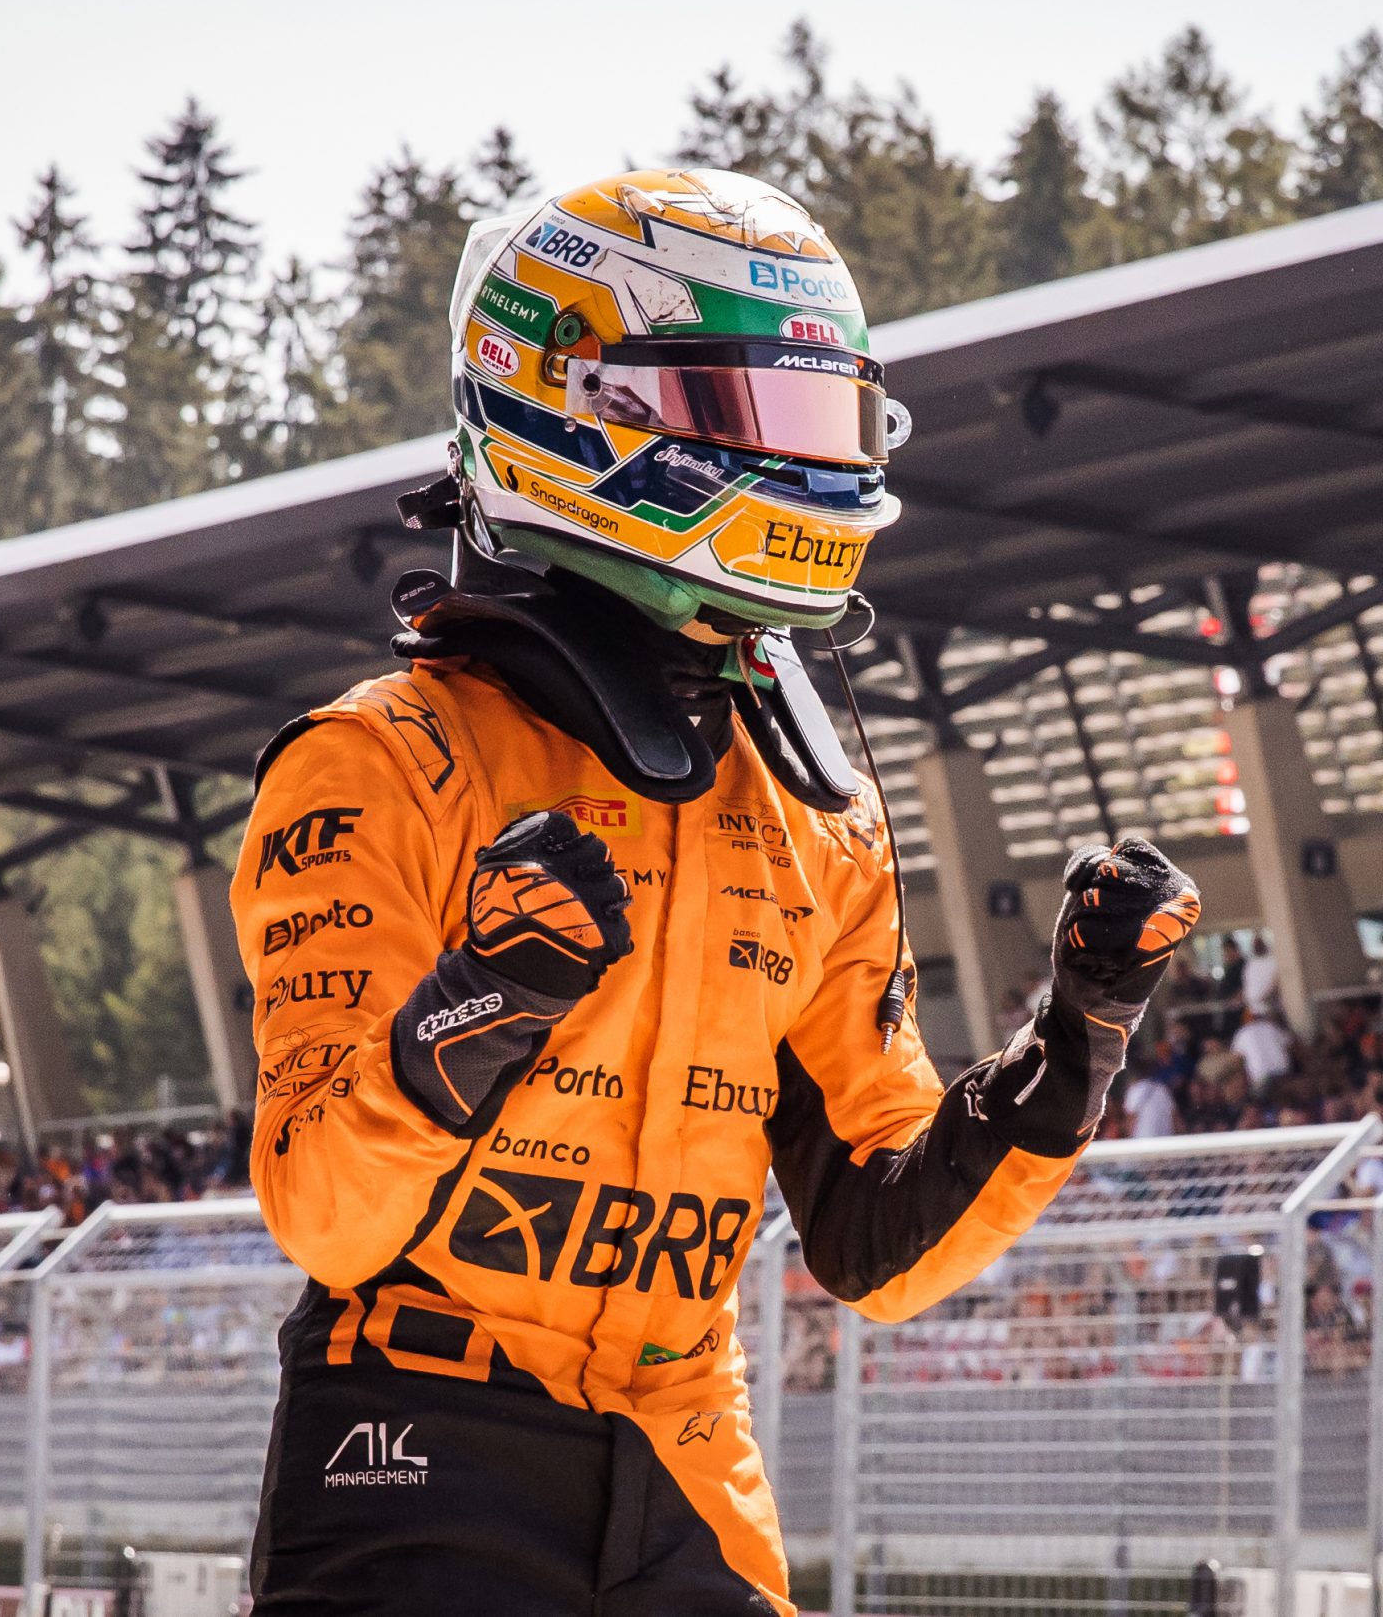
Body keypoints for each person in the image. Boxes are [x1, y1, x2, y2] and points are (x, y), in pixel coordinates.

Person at [229, 169, 1201, 1617]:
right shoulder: (378, 762)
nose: (808, 464)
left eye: (826, 418)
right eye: (754, 413)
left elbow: (877, 1242)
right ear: (571, 408)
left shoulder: (820, 818)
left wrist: (1079, 1040)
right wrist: (486, 1005)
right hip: (419, 1445)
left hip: (694, 1459)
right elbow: (325, 1216)